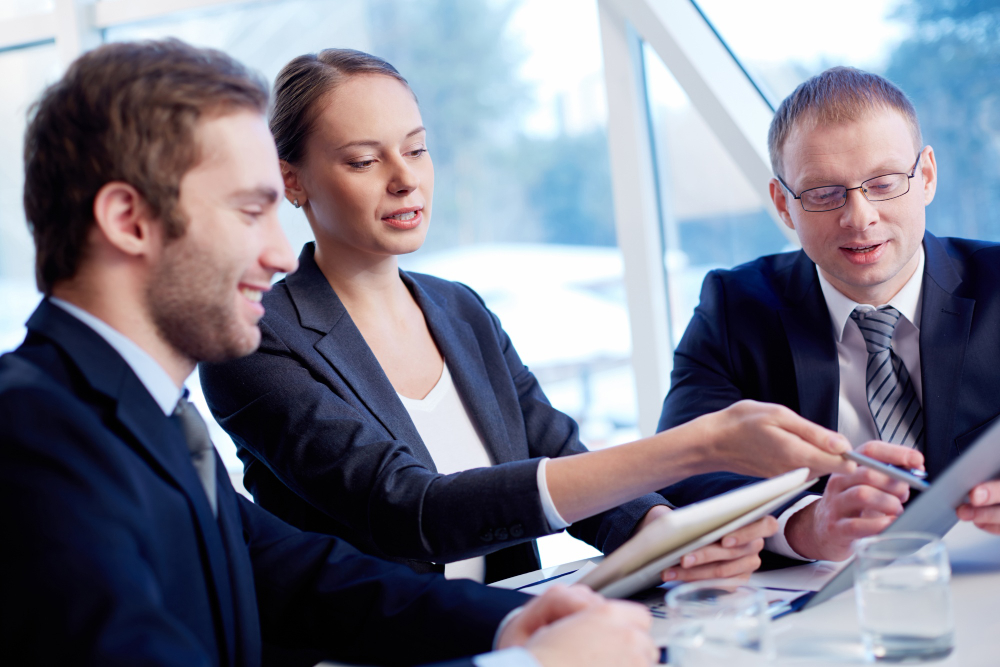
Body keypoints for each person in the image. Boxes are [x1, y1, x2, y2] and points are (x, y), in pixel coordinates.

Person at [0, 38, 664, 667]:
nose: (282, 254)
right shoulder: (31, 434)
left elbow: (306, 577)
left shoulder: (142, 414)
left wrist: (503, 624)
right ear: (129, 220)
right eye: (249, 211)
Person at [200, 48, 854, 586]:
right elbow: (409, 507)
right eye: (365, 160)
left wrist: (655, 533)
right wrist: (695, 445)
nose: (405, 179)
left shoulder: (459, 309)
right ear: (293, 181)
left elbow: (557, 453)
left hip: (514, 623)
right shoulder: (256, 339)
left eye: (417, 149)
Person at [658, 66, 1000, 563]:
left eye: (883, 183)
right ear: (783, 204)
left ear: (925, 177)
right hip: (822, 601)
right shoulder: (733, 308)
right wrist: (804, 524)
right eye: (823, 193)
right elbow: (678, 468)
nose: (859, 217)